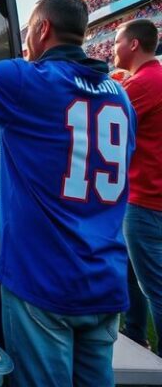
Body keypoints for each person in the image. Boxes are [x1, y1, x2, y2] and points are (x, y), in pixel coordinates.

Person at [0, 0, 136, 387]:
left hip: (45, 280)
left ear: (43, 29)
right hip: (104, 278)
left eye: (29, 29)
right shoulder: (120, 96)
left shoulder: (31, 81)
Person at [113, 18, 162, 354]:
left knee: (154, 286)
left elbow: (106, 124)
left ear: (133, 45)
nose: (112, 48)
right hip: (148, 194)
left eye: (117, 41)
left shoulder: (143, 84)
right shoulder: (149, 79)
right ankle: (135, 335)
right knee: (132, 275)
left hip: (144, 198)